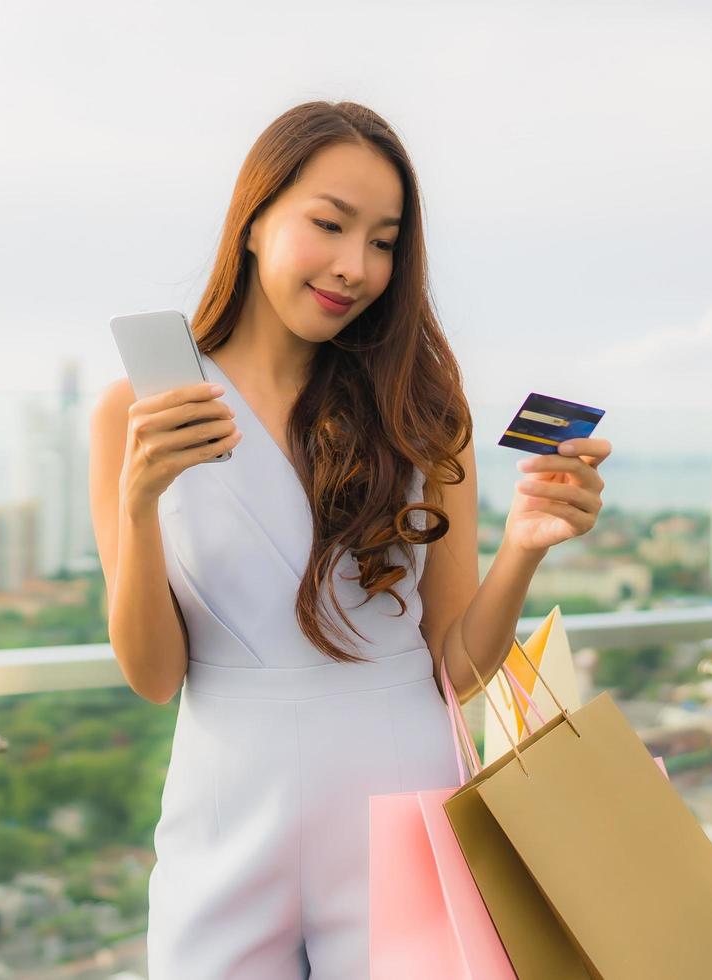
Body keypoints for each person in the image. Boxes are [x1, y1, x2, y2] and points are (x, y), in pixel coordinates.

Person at [87, 100, 612, 979]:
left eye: (383, 241)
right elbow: (152, 678)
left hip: (403, 800)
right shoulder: (136, 412)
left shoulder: (423, 412)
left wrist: (525, 545)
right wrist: (139, 504)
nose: (354, 266)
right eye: (329, 224)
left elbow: (460, 670)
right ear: (253, 219)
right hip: (226, 812)